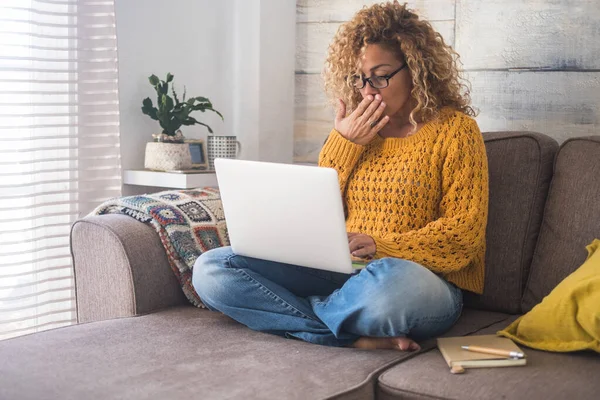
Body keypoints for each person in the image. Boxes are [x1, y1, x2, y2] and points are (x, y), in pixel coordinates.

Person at [192, 1, 488, 352]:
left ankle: (309, 317)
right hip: (341, 272)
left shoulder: (456, 131)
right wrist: (345, 142)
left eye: (380, 75)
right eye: (359, 78)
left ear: (417, 69)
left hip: (415, 279)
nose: (367, 90)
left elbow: (463, 235)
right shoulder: (351, 134)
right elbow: (317, 210)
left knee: (390, 288)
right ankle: (348, 332)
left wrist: (383, 246)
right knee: (212, 268)